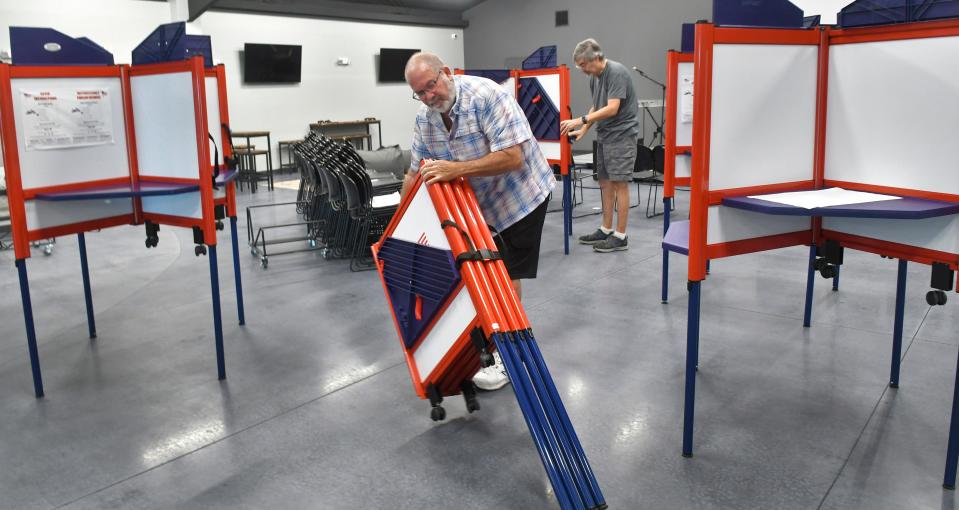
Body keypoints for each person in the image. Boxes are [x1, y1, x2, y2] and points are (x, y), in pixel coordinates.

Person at [403, 52, 554, 391]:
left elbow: (512, 157)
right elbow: (414, 173)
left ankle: (508, 356)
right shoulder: (426, 118)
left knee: (504, 273)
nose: (429, 97)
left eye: (431, 86)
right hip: (478, 204)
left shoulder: (487, 96)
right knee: (477, 270)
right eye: (420, 93)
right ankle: (489, 338)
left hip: (521, 197)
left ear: (446, 73)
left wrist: (454, 170)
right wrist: (400, 229)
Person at [560, 38, 640, 253]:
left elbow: (612, 108)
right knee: (605, 182)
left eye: (583, 64)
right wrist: (584, 130)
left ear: (595, 58)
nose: (581, 69)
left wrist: (581, 120)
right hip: (605, 135)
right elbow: (598, 103)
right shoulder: (595, 76)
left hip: (622, 136)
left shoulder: (616, 72)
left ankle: (620, 236)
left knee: (620, 183)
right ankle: (606, 229)